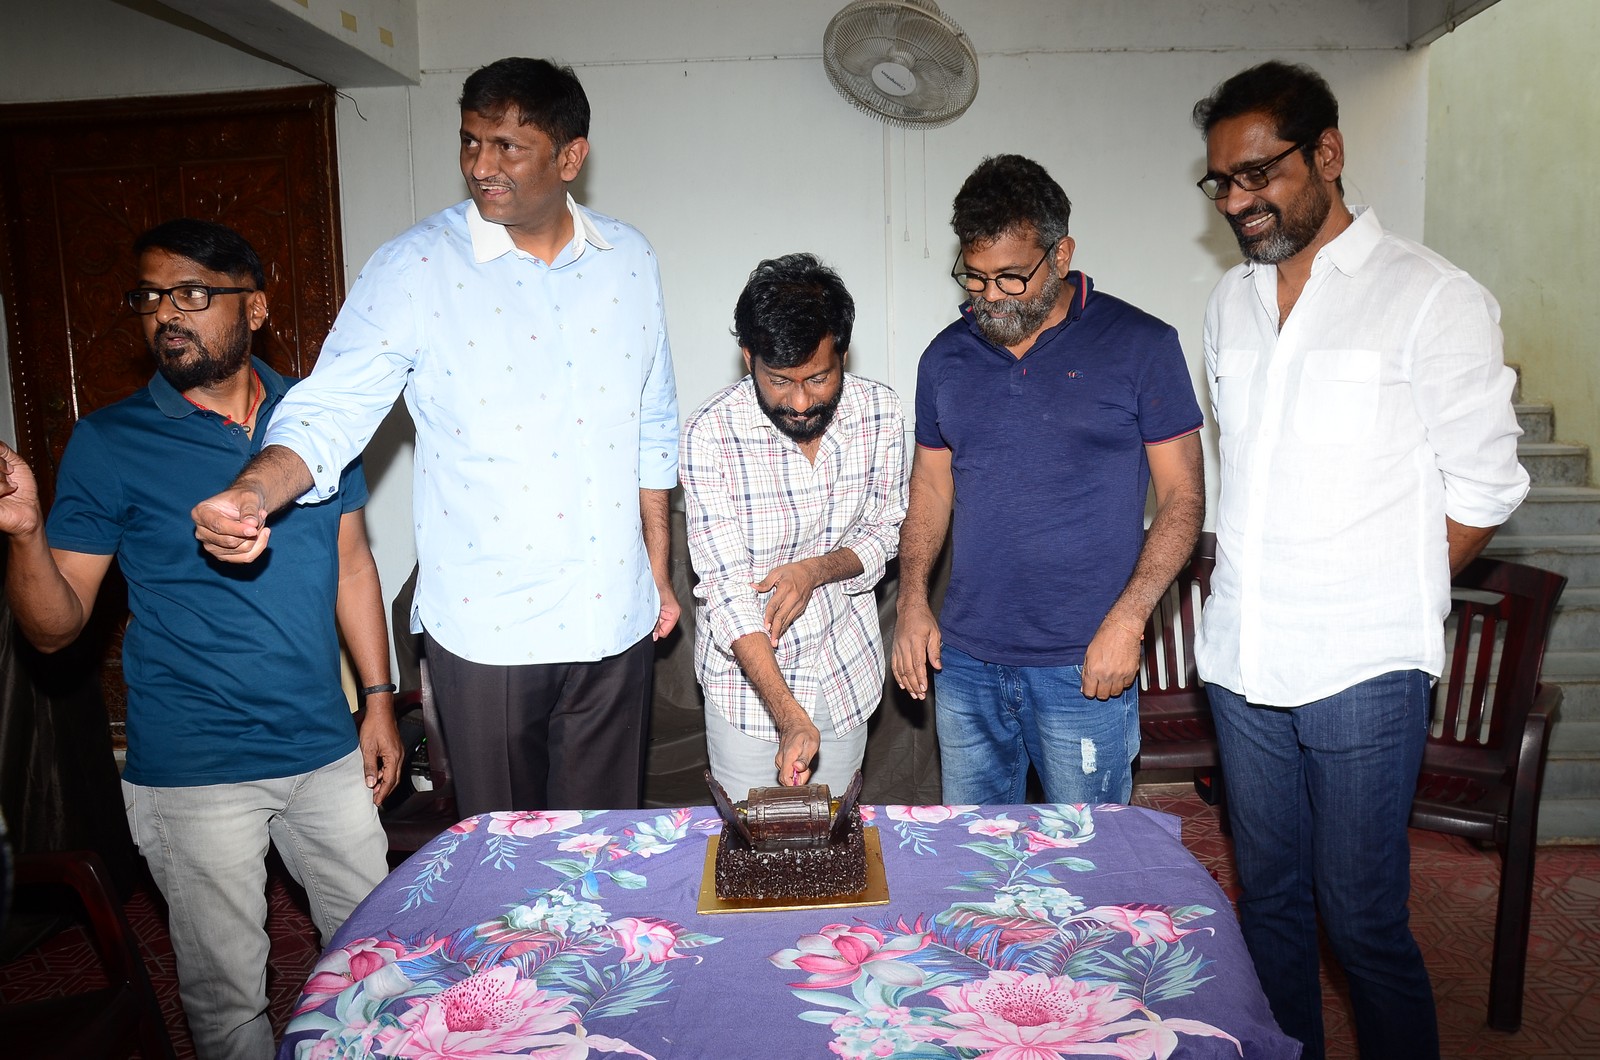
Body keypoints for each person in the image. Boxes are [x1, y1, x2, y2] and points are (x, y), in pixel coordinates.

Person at [189, 58, 680, 816]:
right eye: (470, 141)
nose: (481, 166)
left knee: (603, 848)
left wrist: (657, 571)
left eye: (507, 146)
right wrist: (255, 490)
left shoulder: (631, 260)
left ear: (570, 156)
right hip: (488, 630)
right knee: (503, 854)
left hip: (614, 616)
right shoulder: (416, 266)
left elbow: (652, 425)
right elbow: (331, 409)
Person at [1190, 61, 1529, 1060]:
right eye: (1221, 183)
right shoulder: (1229, 303)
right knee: (1269, 904)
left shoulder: (1431, 298)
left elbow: (1484, 488)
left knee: (1362, 919)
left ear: (1328, 154)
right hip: (1243, 659)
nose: (1237, 202)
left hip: (1363, 668)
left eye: (1259, 174)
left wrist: (1387, 591)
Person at [0, 218, 395, 1059]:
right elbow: (54, 628)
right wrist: (27, 534)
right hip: (194, 768)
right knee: (229, 1003)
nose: (165, 315)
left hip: (324, 748)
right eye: (150, 297)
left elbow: (354, 566)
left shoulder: (317, 417)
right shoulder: (110, 441)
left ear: (254, 308)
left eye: (191, 293)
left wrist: (379, 700)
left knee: (380, 969)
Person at [892, 154, 1206, 805]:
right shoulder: (945, 357)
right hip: (967, 662)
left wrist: (1129, 620)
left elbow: (1183, 498)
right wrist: (913, 600)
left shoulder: (1141, 346)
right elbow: (931, 488)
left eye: (1011, 278)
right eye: (975, 278)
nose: (990, 298)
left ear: (1060, 254)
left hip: (1086, 660)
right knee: (973, 853)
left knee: (1087, 853)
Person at [681, 254, 907, 794]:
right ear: (748, 359)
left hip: (846, 672)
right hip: (747, 693)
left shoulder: (881, 413)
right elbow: (727, 592)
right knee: (751, 839)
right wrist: (788, 716)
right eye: (780, 381)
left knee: (836, 838)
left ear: (843, 355)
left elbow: (885, 529)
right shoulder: (709, 434)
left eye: (819, 378)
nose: (801, 402)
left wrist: (815, 571)